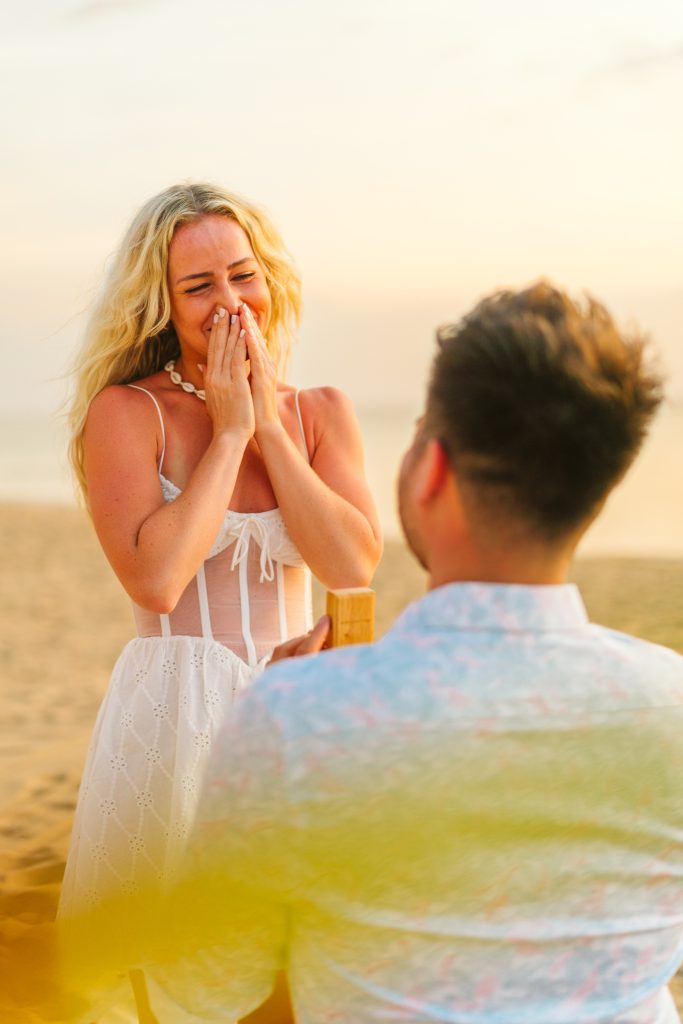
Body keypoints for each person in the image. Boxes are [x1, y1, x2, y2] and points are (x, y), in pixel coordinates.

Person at [142, 282, 683, 1022]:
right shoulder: (671, 704)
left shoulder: (299, 721)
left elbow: (196, 995)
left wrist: (281, 720)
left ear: (430, 468)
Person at [58, 182, 382, 1018]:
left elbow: (350, 566)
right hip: (178, 723)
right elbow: (157, 580)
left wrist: (269, 426)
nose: (229, 303)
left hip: (300, 721)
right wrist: (229, 430)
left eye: (242, 275)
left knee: (303, 973)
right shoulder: (126, 413)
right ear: (161, 304)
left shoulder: (319, 413)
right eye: (199, 287)